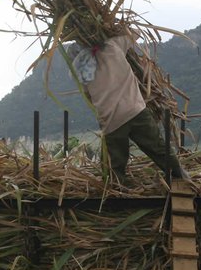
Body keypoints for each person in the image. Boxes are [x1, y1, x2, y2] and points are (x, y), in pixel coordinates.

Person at [66, 33, 185, 184]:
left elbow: (89, 95)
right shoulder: (112, 46)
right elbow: (134, 33)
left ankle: (118, 190)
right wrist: (109, 30)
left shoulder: (83, 73)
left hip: (111, 120)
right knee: (159, 150)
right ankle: (181, 179)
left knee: (115, 165)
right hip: (135, 111)